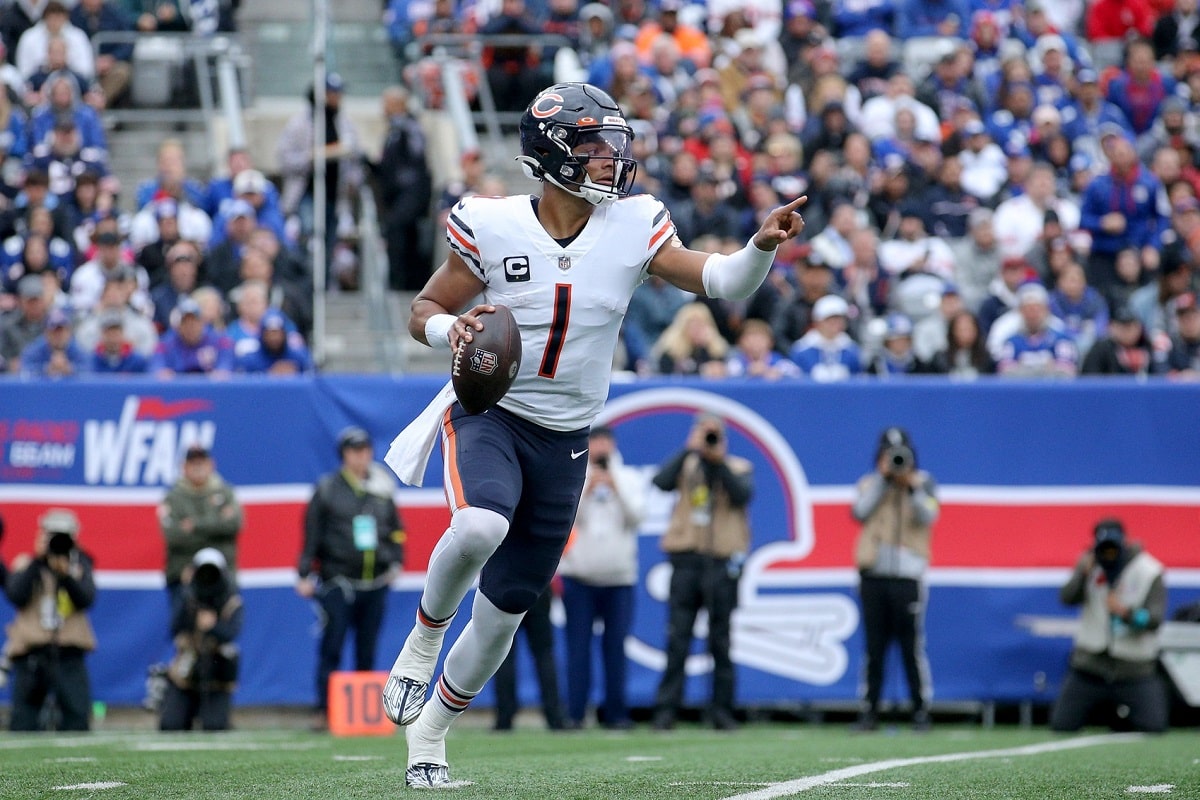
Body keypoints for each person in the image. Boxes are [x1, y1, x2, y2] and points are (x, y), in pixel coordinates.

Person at [379, 82, 804, 788]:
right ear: (550, 156)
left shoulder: (636, 224)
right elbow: (422, 307)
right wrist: (444, 329)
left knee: (505, 612)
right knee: (480, 525)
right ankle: (422, 639)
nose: (612, 159)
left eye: (615, 145)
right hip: (492, 412)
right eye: (593, 147)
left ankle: (432, 733)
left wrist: (759, 245)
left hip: (567, 438)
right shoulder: (492, 223)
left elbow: (723, 281)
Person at [297, 426, 406, 731]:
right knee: (332, 645)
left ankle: (365, 713)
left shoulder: (382, 487)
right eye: (354, 451)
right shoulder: (329, 489)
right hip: (339, 581)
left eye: (365, 450)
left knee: (367, 648)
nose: (361, 457)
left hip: (375, 582)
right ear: (344, 455)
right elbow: (312, 534)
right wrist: (305, 571)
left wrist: (396, 558)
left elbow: (396, 529)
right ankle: (324, 709)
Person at [650, 413, 753, 733]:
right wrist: (688, 450)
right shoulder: (685, 465)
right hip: (686, 559)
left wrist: (718, 462)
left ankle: (722, 710)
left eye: (712, 435)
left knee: (720, 639)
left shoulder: (738, 467)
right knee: (677, 637)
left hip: (721, 562)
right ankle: (667, 710)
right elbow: (661, 481)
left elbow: (742, 495)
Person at [557, 425, 646, 730]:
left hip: (619, 577)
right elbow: (567, 517)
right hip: (579, 576)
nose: (601, 448)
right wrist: (588, 487)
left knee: (615, 648)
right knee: (577, 648)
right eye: (596, 442)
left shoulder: (630, 478)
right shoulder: (574, 476)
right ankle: (575, 714)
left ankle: (615, 713)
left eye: (605, 442)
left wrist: (616, 487)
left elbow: (637, 518)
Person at [851, 427, 939, 733]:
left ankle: (920, 710)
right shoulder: (869, 484)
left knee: (911, 646)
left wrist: (910, 487)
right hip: (873, 573)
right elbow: (859, 512)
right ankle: (869, 710)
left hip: (907, 577)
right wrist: (885, 480)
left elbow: (929, 516)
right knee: (873, 647)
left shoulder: (924, 484)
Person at [1050, 519, 1168, 733]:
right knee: (1062, 724)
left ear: (1125, 542)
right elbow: (1066, 598)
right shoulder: (1088, 564)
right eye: (1104, 547)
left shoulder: (1148, 570)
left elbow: (1154, 620)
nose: (1109, 553)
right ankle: (1105, 713)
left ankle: (1120, 717)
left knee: (1153, 726)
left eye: (1114, 547)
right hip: (1090, 667)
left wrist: (1126, 613)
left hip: (1133, 668)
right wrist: (1081, 574)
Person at [4, 509, 97, 731]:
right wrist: (38, 561)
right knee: (23, 722)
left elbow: (86, 599)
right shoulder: (28, 564)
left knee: (77, 719)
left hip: (69, 653)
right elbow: (15, 595)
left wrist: (66, 576)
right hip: (32, 654)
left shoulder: (80, 566)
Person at [159, 548, 243, 732]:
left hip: (216, 674)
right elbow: (174, 628)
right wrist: (186, 595)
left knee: (214, 726)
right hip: (187, 673)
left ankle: (216, 713)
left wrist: (213, 626)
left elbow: (232, 633)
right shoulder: (186, 596)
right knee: (170, 725)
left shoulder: (231, 600)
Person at [159, 444, 243, 615]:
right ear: (184, 467)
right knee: (186, 635)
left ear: (211, 464)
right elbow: (173, 535)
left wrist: (195, 526)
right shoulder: (173, 498)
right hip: (184, 576)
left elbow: (234, 524)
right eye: (193, 463)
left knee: (223, 632)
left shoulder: (225, 493)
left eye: (202, 462)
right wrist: (216, 528)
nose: (198, 467)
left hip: (222, 576)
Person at [490, 588, 566, 731]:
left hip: (506, 589)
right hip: (537, 587)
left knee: (503, 655)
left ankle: (504, 718)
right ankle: (555, 717)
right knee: (544, 654)